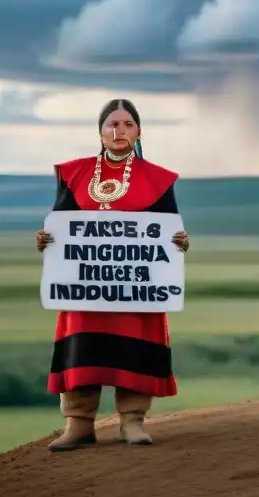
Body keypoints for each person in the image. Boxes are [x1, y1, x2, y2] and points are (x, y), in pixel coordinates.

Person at [35, 98, 190, 452]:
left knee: (133, 349)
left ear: (139, 131)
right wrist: (47, 239)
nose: (119, 131)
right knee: (81, 347)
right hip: (84, 287)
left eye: (127, 124)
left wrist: (180, 241)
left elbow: (168, 229)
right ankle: (78, 424)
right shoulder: (74, 174)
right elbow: (61, 224)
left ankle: (132, 422)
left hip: (135, 289)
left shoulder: (159, 180)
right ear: (101, 131)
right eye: (112, 124)